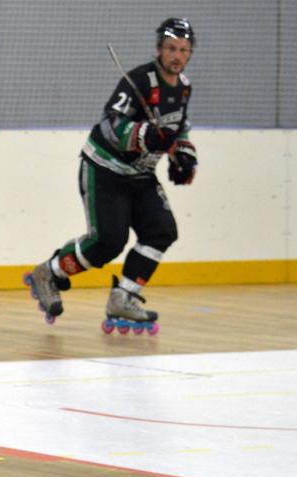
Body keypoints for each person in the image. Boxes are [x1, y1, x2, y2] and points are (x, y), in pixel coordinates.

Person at [25, 17, 198, 333]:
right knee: (108, 241)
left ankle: (124, 296)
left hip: (141, 174)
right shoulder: (139, 81)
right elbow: (110, 124)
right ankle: (49, 272)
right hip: (104, 168)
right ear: (159, 49)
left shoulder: (183, 87)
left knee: (162, 230)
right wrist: (145, 135)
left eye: (184, 50)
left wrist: (184, 156)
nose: (177, 56)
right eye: (171, 48)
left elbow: (179, 128)